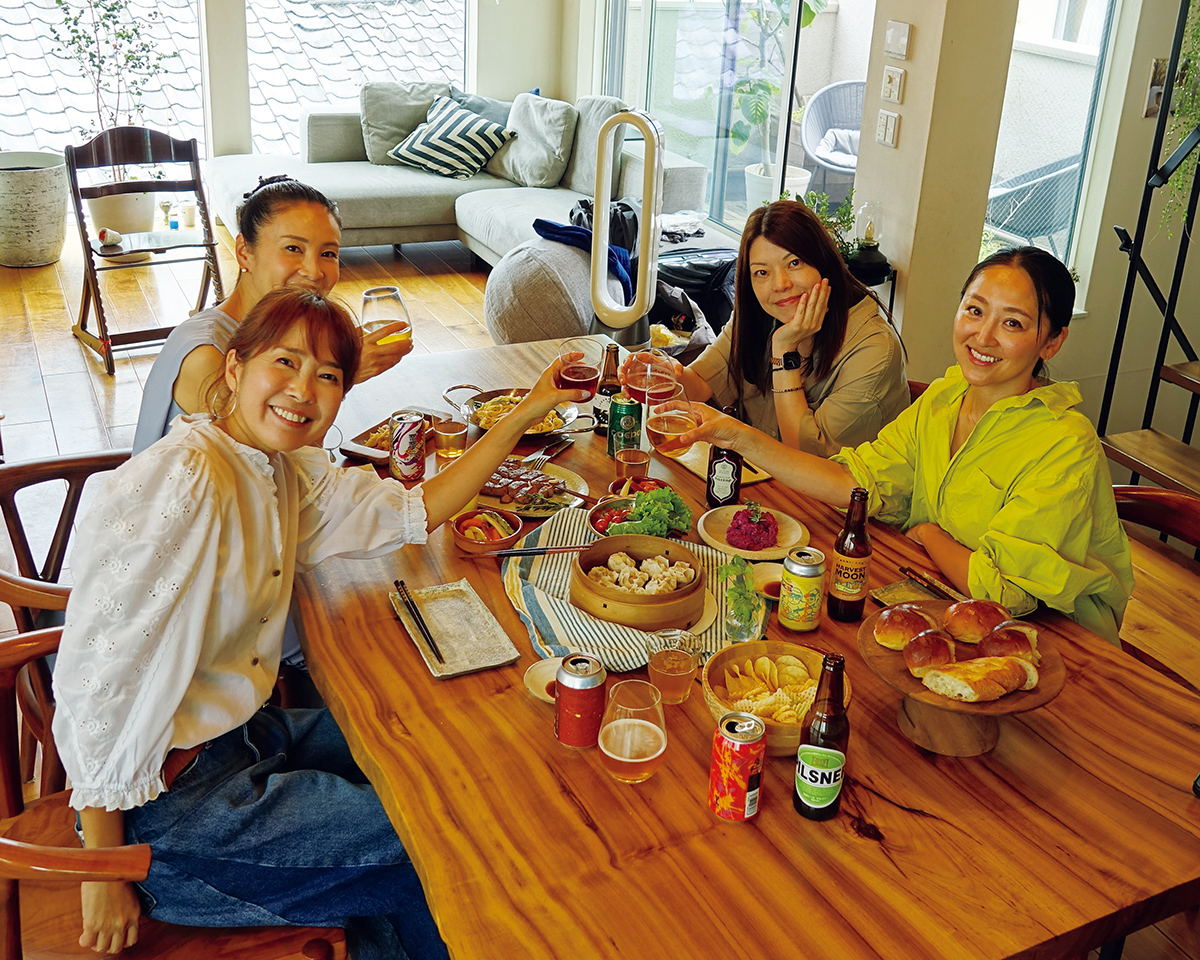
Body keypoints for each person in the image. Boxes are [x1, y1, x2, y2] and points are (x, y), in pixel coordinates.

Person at [52, 286, 587, 958]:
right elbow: (98, 675)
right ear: (234, 369)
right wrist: (101, 871)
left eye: (328, 374)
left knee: (439, 740)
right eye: (285, 362)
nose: (304, 389)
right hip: (169, 820)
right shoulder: (188, 480)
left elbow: (416, 509)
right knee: (444, 833)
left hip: (237, 740)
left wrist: (531, 410)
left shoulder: (279, 471)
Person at [676, 246, 1134, 643]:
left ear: (1051, 343)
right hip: (945, 606)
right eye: (974, 310)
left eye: (1012, 323)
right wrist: (732, 434)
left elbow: (1004, 593)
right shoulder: (944, 397)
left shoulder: (1065, 443)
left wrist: (930, 533)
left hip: (1058, 645)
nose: (983, 336)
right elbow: (851, 480)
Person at [132, 175, 410, 454]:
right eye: (293, 248)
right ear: (244, 252)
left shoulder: (288, 333)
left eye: (328, 253)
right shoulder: (207, 354)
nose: (314, 272)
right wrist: (342, 376)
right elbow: (278, 470)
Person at [624, 199, 908, 456]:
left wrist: (784, 349)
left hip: (835, 508)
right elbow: (701, 383)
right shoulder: (762, 313)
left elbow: (805, 456)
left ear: (824, 263)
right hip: (758, 482)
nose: (779, 285)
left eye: (794, 263)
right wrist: (665, 377)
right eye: (762, 272)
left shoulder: (874, 350)